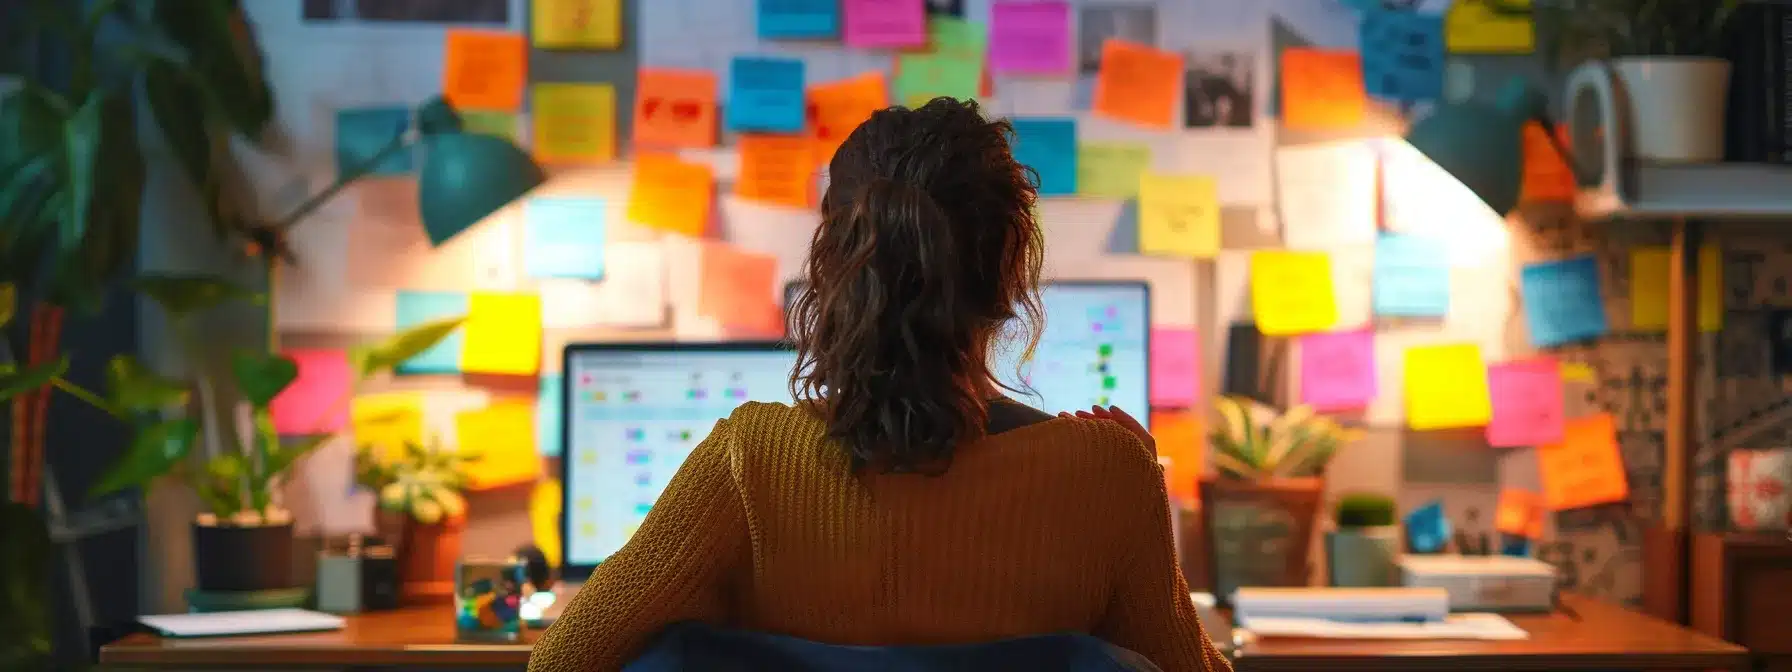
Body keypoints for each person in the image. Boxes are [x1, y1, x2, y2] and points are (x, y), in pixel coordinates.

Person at [529, 98, 1231, 672]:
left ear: (833, 263)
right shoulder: (1108, 474)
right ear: (1013, 266)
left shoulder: (750, 462)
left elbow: (560, 664)